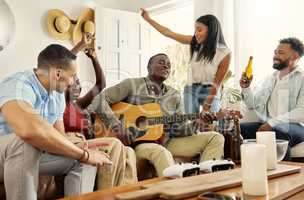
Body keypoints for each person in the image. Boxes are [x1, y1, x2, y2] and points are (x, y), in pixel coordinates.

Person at [0, 44, 112, 200]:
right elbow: (29, 132)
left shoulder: (57, 95)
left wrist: (80, 149)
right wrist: (83, 154)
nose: (73, 81)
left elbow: (59, 136)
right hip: (5, 155)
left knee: (88, 161)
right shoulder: (19, 84)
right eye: (72, 75)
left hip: (32, 156)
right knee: (25, 142)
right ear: (58, 73)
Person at [87, 53, 224, 177]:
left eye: (169, 65)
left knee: (216, 138)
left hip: (167, 141)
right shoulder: (132, 85)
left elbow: (179, 130)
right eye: (161, 62)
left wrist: (197, 123)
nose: (166, 65)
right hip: (138, 143)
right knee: (160, 152)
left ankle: (205, 185)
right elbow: (99, 99)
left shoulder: (174, 95)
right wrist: (117, 126)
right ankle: (175, 193)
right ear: (149, 67)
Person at [64, 34, 138, 189]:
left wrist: (94, 58)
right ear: (65, 82)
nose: (78, 86)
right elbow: (61, 64)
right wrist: (80, 44)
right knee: (115, 144)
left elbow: (101, 84)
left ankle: (126, 193)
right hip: (70, 142)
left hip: (86, 142)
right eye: (74, 82)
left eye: (79, 83)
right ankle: (105, 195)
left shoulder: (80, 104)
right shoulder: (61, 102)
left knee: (129, 152)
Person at [141, 9, 231, 113]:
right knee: (191, 124)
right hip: (191, 90)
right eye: (195, 30)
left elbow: (217, 83)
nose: (196, 33)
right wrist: (148, 19)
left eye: (199, 30)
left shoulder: (224, 53)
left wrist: (206, 107)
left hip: (211, 90)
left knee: (211, 122)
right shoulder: (195, 43)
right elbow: (168, 33)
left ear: (211, 31)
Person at [240, 37, 304, 160]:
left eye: (281, 53)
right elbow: (252, 105)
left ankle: (284, 175)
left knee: (280, 131)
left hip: (296, 127)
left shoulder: (302, 78)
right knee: (237, 130)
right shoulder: (270, 79)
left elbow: (303, 112)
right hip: (268, 125)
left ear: (295, 57)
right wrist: (246, 88)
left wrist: (272, 123)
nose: (275, 56)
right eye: (275, 52)